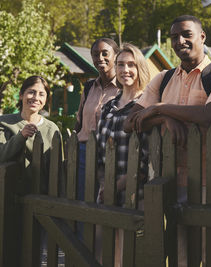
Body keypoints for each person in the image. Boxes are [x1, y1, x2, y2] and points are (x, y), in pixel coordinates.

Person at [123, 15, 211, 267]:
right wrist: (164, 120)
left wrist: (159, 108)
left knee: (210, 256)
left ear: (202, 37)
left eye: (187, 34)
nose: (180, 41)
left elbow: (210, 115)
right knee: (178, 255)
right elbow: (129, 122)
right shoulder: (163, 78)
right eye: (174, 37)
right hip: (171, 179)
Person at [95, 43, 149, 267]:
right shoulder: (108, 107)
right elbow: (98, 151)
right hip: (105, 191)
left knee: (130, 256)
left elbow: (148, 158)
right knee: (105, 255)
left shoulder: (146, 105)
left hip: (134, 192)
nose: (125, 69)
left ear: (140, 69)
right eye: (120, 64)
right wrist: (103, 184)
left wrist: (117, 185)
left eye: (131, 65)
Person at [0, 75, 60, 184]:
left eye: (41, 94)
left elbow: (58, 168)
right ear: (21, 95)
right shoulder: (3, 122)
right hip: (9, 192)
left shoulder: (52, 129)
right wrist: (21, 136)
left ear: (45, 100)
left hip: (42, 195)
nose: (36, 98)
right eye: (31, 92)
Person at [75, 38, 120, 201]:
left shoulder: (124, 88)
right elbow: (79, 121)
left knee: (105, 201)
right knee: (82, 199)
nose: (100, 58)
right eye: (95, 55)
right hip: (83, 153)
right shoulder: (88, 87)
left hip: (110, 153)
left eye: (105, 53)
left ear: (116, 56)